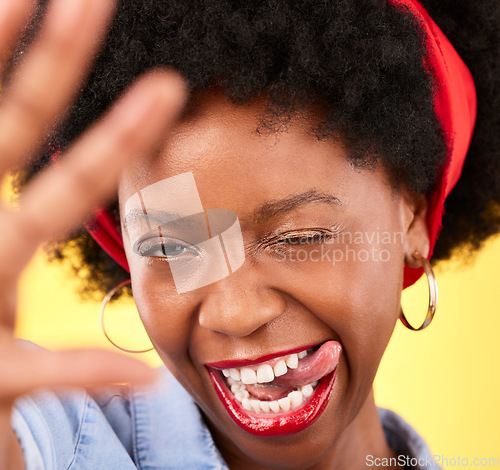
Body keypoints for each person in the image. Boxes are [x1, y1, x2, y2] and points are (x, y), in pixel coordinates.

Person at [1, 0, 498, 468]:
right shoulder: (58, 440)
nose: (235, 314)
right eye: (173, 247)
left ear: (412, 215)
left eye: (298, 237)